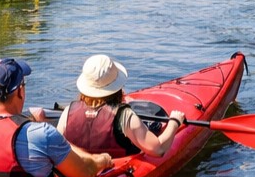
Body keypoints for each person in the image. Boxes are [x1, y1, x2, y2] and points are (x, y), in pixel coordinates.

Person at [58, 54, 186, 158]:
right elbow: (158, 150)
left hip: (80, 171)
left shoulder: (68, 111)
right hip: (114, 172)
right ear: (116, 86)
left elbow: (57, 148)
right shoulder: (124, 115)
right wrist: (174, 122)